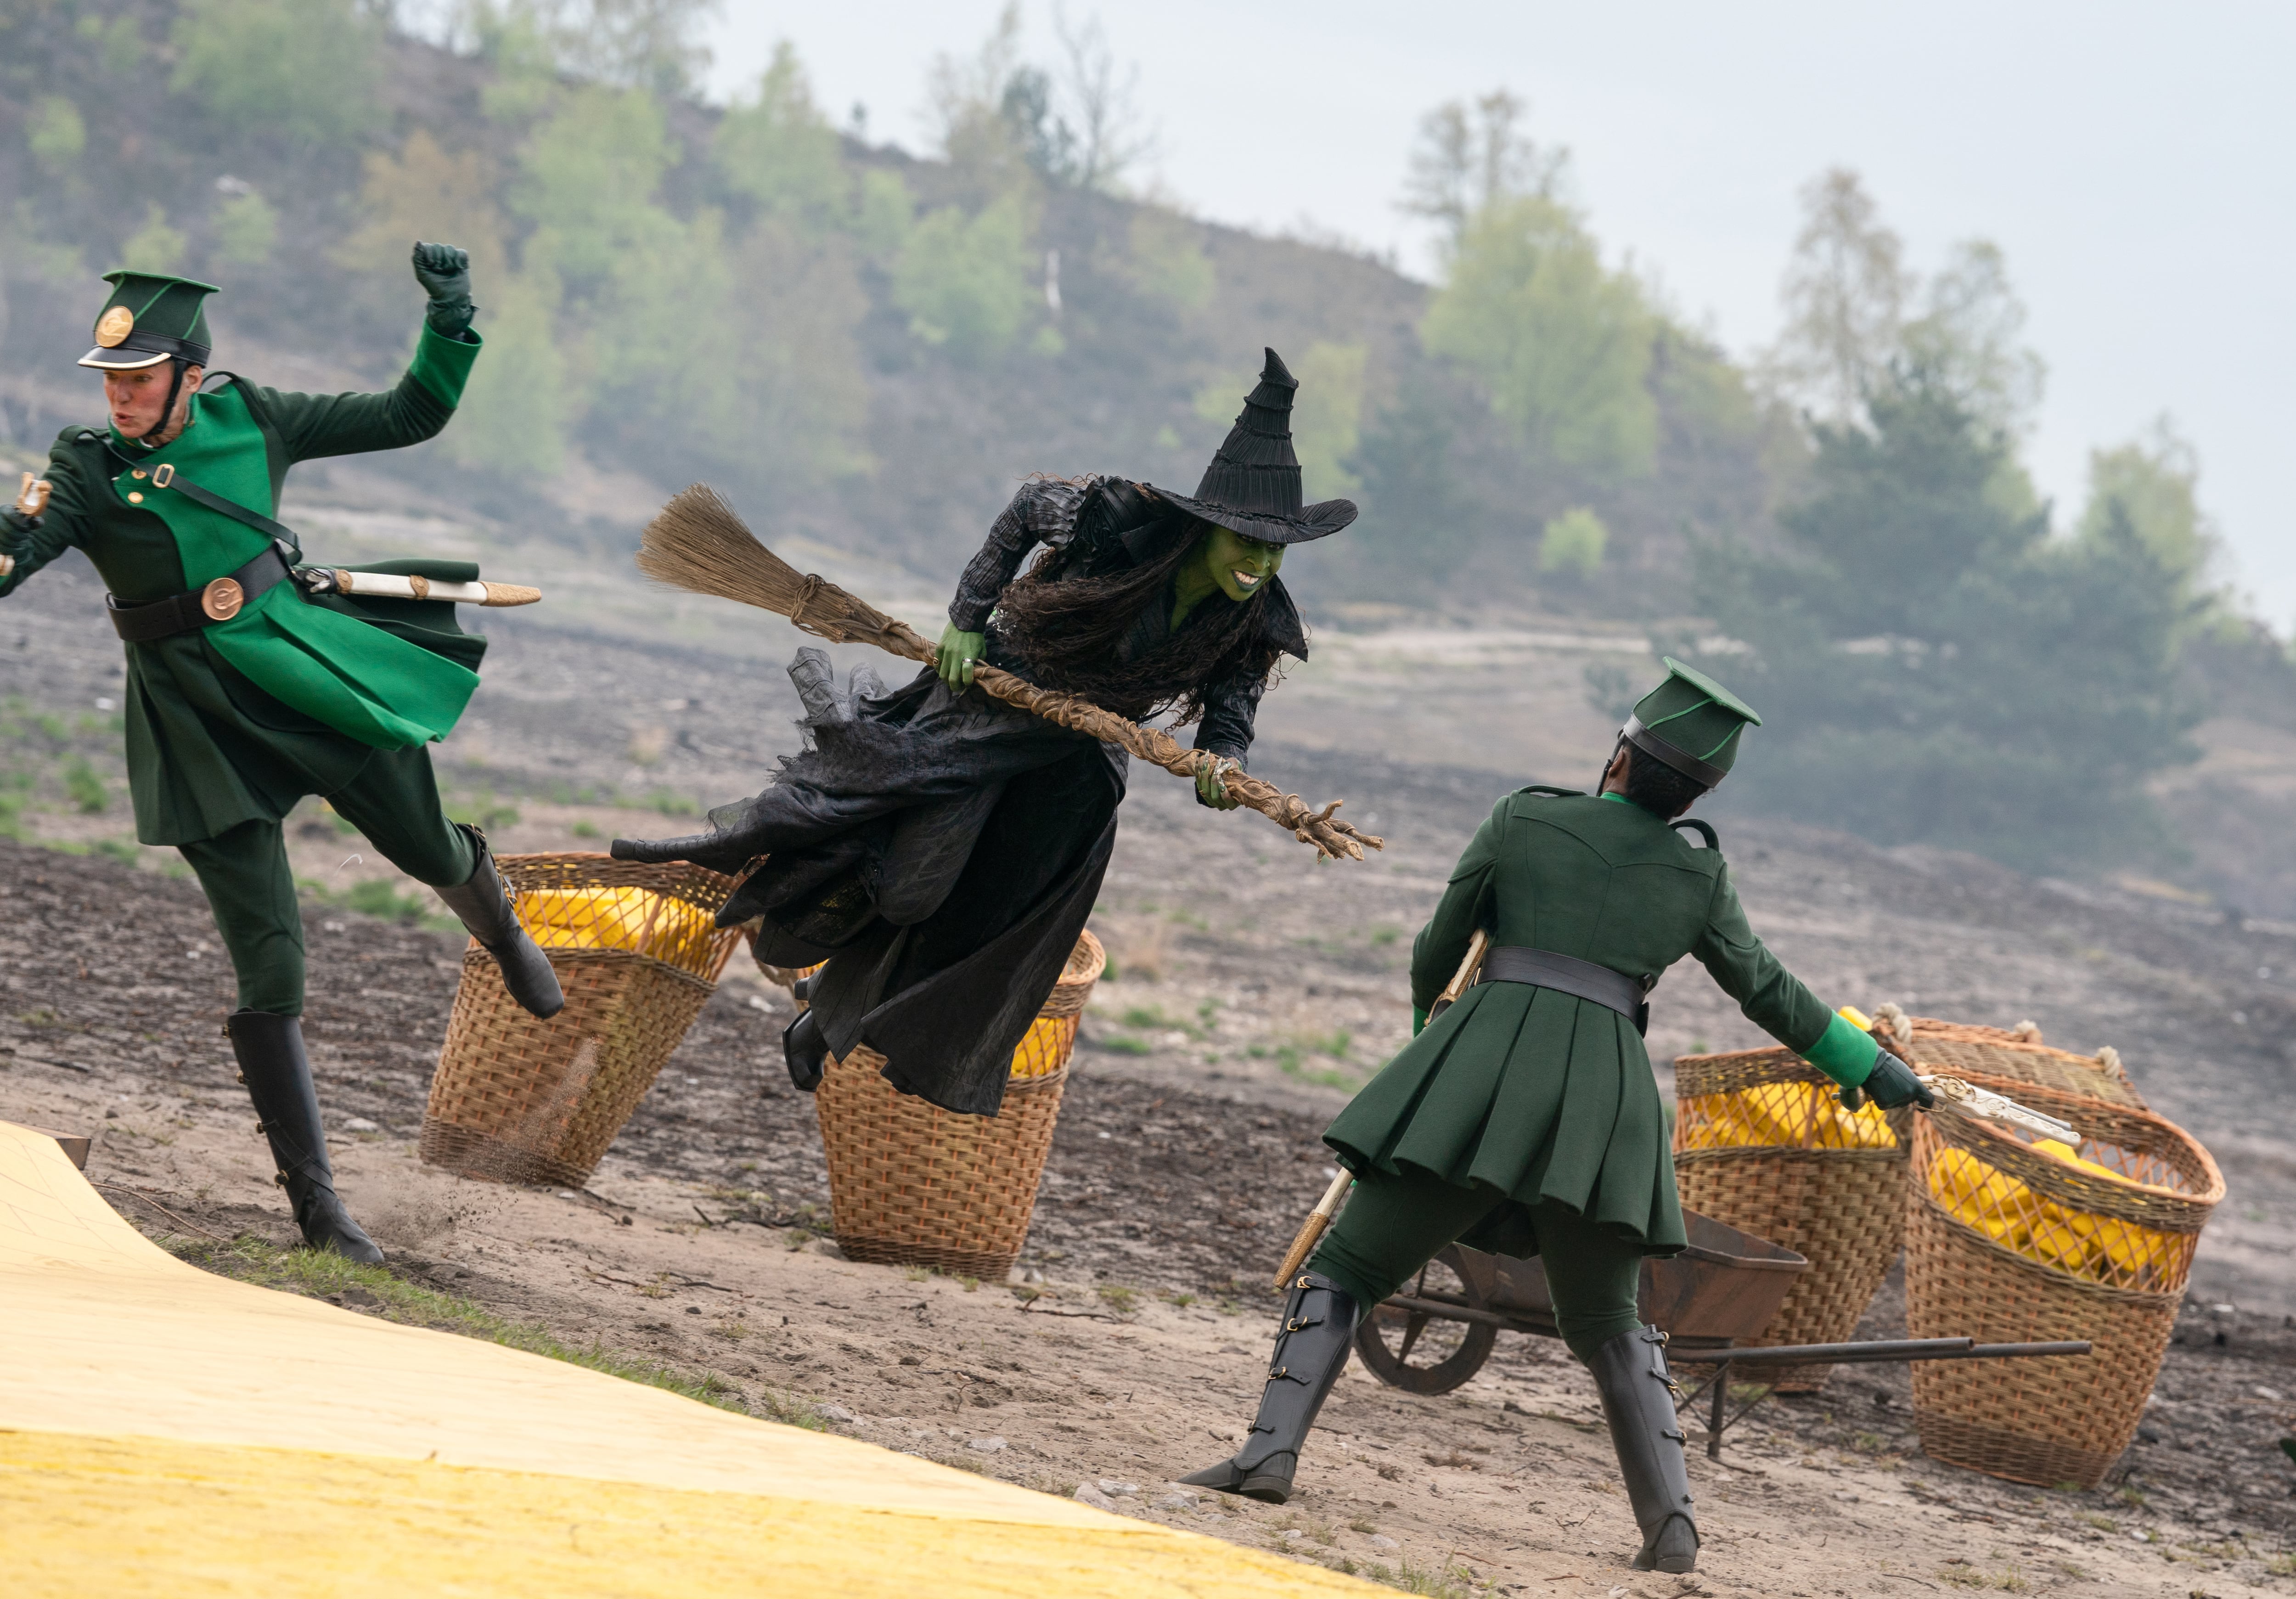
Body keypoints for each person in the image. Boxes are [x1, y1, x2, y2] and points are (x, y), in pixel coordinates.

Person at [1181, 659, 1935, 1575]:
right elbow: (1770, 992)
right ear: (1697, 792)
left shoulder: (1521, 817)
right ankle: (1671, 1529)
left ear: (1619, 757)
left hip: (1482, 1063)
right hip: (1608, 1103)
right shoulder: (1699, 878)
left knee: (1345, 1267)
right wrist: (1876, 1068)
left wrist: (1438, 1055)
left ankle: (1267, 1454)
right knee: (1613, 1320)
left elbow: (1437, 951)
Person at [0, 252, 563, 1264]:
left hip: (301, 669)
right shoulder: (84, 466)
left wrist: (450, 316)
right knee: (273, 969)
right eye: (109, 381)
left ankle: (498, 921)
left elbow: (408, 416)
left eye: (137, 378)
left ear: (187, 372)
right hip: (192, 720)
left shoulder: (253, 417)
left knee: (428, 849)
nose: (119, 396)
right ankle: (321, 1211)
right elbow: (20, 549)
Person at [615, 349, 1354, 1115]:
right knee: (911, 889)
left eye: (1276, 548)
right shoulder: (1119, 520)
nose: (1261, 563)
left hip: (1079, 760)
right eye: (1249, 542)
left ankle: (826, 1024)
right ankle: (817, 974)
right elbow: (1033, 502)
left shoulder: (1255, 619)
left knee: (989, 920)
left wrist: (1224, 764)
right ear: (1208, 528)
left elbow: (1232, 711)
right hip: (990, 706)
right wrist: (968, 618)